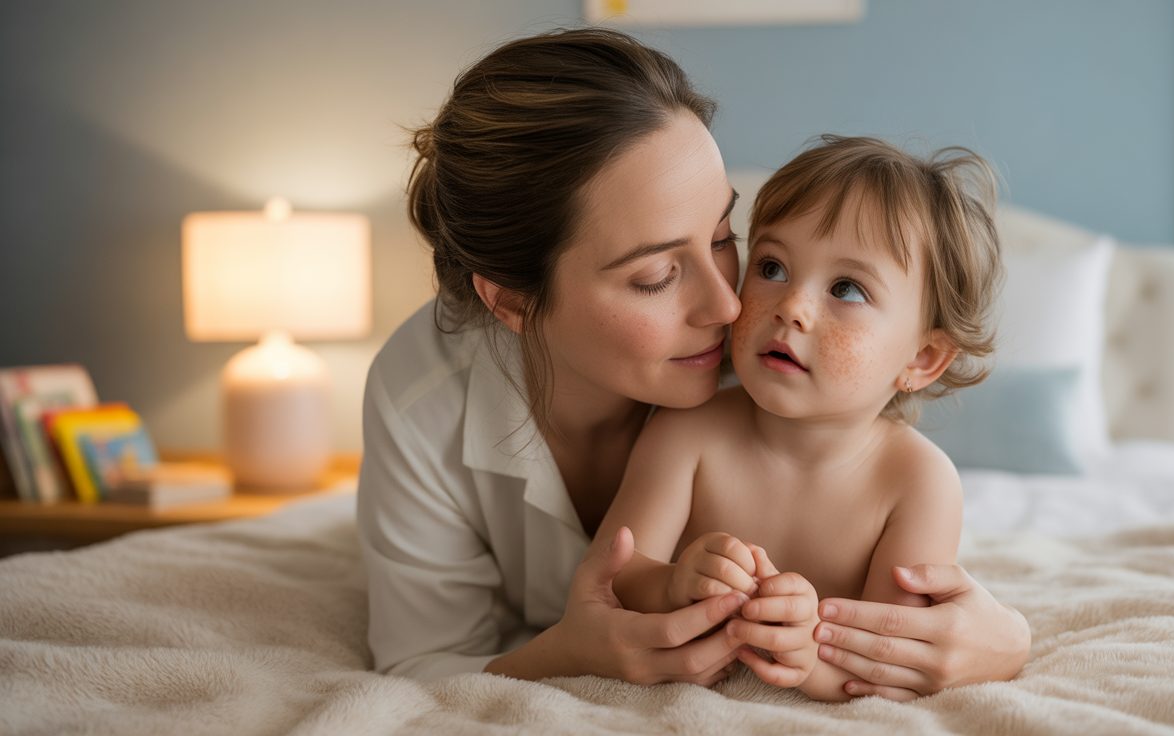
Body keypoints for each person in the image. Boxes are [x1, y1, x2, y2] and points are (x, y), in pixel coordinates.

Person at [357, 26, 1031, 698]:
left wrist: (1009, 638)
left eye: (721, 238)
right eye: (655, 275)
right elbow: (426, 664)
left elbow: (891, 638)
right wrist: (569, 649)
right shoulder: (424, 400)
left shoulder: (789, 369)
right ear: (511, 301)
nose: (732, 304)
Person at [594, 135, 1002, 701]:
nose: (792, 306)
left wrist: (808, 658)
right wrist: (674, 582)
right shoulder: (688, 431)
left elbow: (888, 663)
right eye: (772, 267)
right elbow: (611, 575)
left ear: (922, 358)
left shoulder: (917, 482)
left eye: (847, 288)